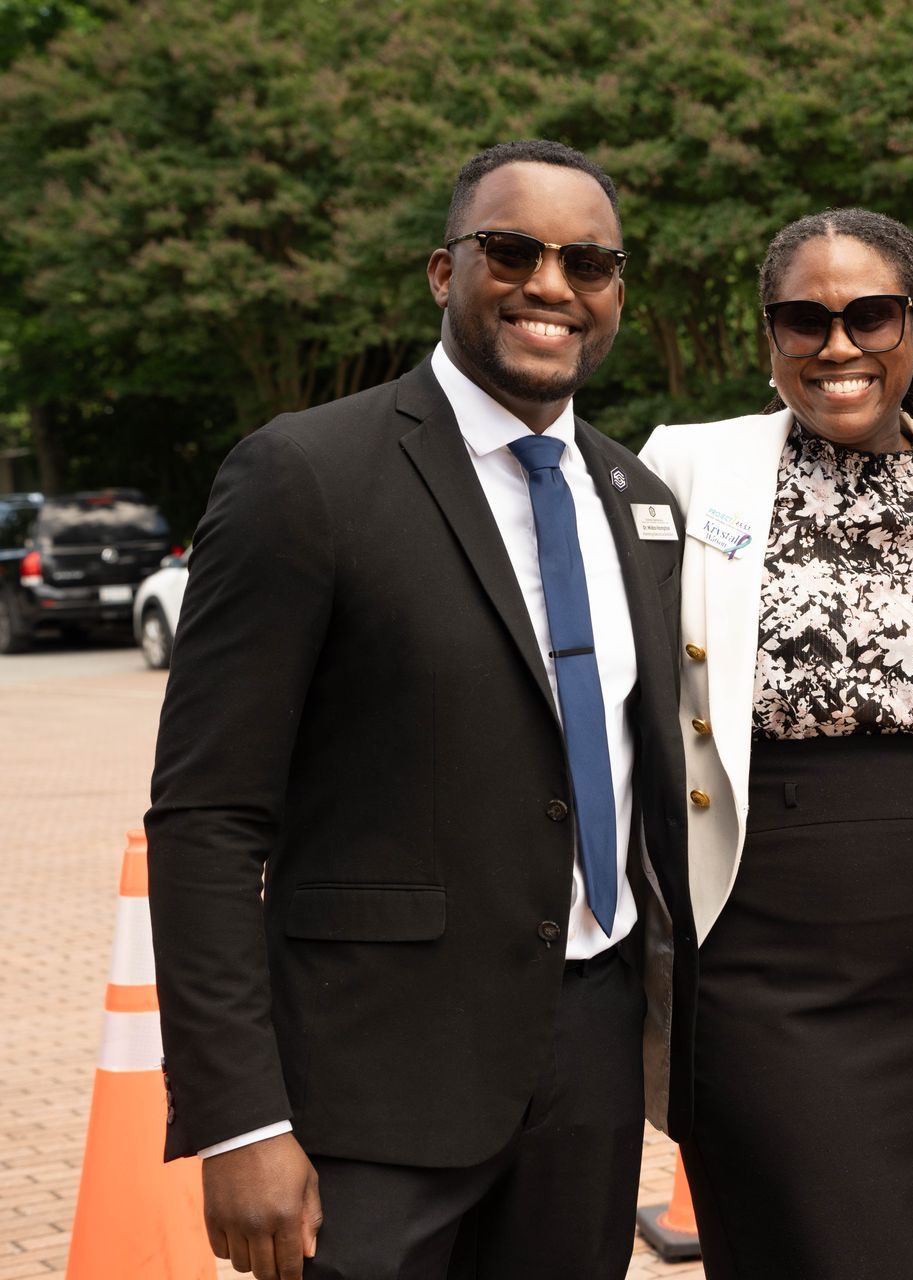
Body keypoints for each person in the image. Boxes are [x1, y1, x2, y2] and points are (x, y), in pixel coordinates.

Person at [145, 139, 696, 1280]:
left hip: (586, 1066)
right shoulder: (304, 475)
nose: (552, 283)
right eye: (512, 250)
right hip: (370, 1088)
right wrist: (239, 1118)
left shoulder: (635, 496)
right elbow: (206, 815)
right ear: (443, 273)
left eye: (587, 262)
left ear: (617, 297)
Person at [638, 208, 913, 1279]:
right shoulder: (689, 467)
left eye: (871, 314)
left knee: (909, 1250)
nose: (838, 344)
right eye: (803, 319)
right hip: (753, 955)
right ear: (770, 338)